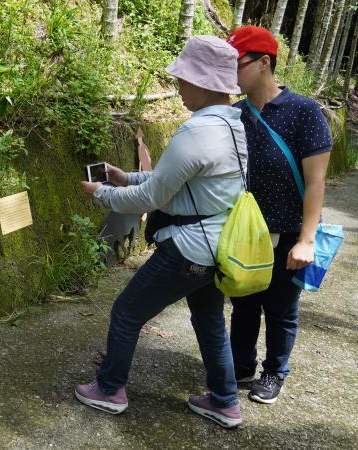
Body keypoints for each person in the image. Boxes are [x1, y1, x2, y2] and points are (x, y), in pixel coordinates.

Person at [75, 35, 248, 428]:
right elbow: (182, 181)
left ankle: (110, 389)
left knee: (125, 313)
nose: (179, 86)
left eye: (183, 79)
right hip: (219, 246)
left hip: (187, 249)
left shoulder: (196, 132)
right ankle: (224, 400)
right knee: (210, 323)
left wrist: (102, 193)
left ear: (204, 83)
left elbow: (151, 198)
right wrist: (126, 176)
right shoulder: (234, 127)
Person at [226, 26, 333, 404]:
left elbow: (316, 182)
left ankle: (274, 371)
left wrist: (306, 240)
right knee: (243, 302)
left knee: (281, 307)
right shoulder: (234, 115)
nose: (230, 73)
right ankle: (240, 365)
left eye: (236, 64)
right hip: (245, 231)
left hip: (289, 231)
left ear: (264, 63)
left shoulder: (304, 112)